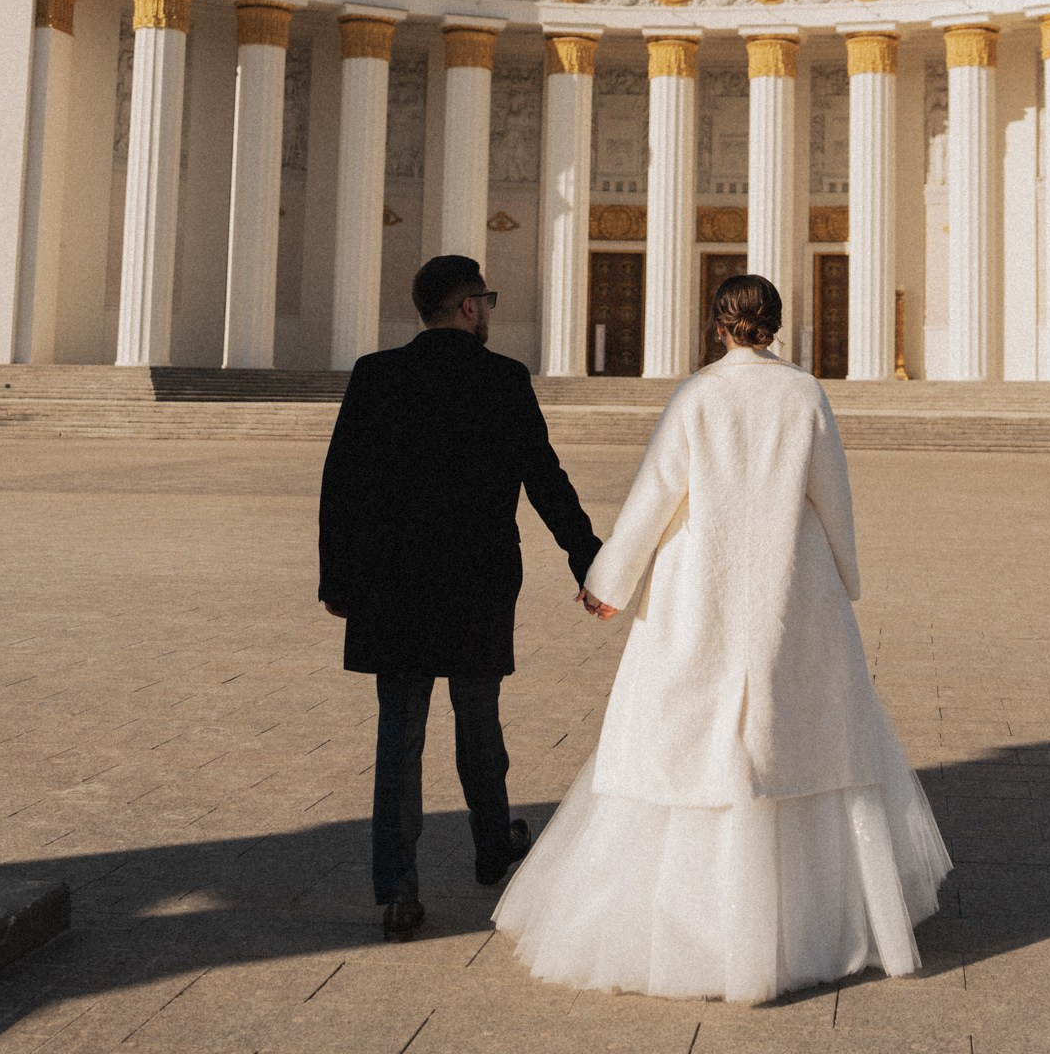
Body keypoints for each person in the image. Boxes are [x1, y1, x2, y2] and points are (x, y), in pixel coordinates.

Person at [495, 274, 950, 1003]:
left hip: (698, 582)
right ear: (775, 326)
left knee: (685, 733)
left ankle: (689, 929)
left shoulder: (698, 395)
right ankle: (813, 921)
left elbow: (655, 494)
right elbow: (833, 493)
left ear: (718, 327)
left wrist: (608, 585)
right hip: (790, 584)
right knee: (800, 735)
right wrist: (846, 577)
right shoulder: (803, 394)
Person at [317, 256, 603, 943]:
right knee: (480, 723)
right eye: (487, 299)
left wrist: (337, 580)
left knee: (399, 736)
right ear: (469, 307)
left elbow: (342, 485)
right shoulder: (501, 379)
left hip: (394, 585)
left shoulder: (376, 375)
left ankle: (397, 890)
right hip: (476, 580)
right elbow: (545, 480)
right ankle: (491, 845)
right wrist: (590, 559)